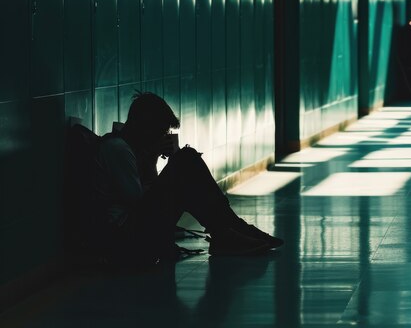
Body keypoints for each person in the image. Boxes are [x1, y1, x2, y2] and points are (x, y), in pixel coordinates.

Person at [92, 92, 283, 261]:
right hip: (125, 237)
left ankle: (230, 229)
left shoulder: (130, 148)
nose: (161, 138)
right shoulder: (118, 149)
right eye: (159, 133)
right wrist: (160, 167)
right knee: (186, 159)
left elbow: (145, 193)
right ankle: (228, 230)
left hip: (135, 228)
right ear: (144, 128)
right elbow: (136, 200)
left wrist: (153, 161)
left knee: (186, 163)